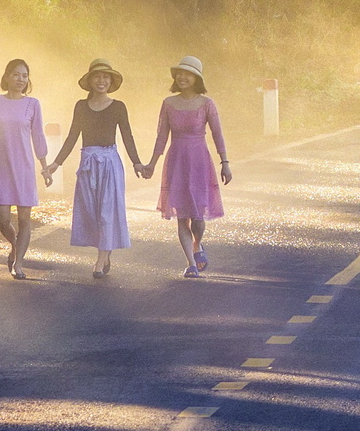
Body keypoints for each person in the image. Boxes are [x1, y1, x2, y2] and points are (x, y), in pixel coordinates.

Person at [47, 59, 138, 278]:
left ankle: (100, 259)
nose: (101, 81)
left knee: (107, 211)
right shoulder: (81, 106)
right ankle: (105, 252)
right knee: (91, 211)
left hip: (109, 162)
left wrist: (137, 162)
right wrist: (55, 163)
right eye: (97, 76)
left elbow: (127, 136)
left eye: (106, 77)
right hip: (87, 163)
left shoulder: (118, 107)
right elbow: (72, 137)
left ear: (111, 81)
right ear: (90, 80)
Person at [145, 55, 230, 277]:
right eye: (179, 73)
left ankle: (197, 244)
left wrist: (225, 162)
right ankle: (191, 264)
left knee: (198, 218)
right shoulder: (168, 104)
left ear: (197, 78)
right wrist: (152, 163)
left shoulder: (207, 104)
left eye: (188, 73)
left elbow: (218, 134)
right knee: (182, 215)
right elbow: (161, 136)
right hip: (176, 161)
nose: (182, 77)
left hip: (200, 161)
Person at [0, 59, 51, 279]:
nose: (21, 79)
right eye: (17, 75)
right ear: (7, 76)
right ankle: (15, 244)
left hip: (25, 167)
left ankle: (18, 264)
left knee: (25, 220)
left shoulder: (33, 104)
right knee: (2, 220)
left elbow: (38, 136)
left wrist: (45, 167)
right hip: (1, 167)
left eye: (25, 75)